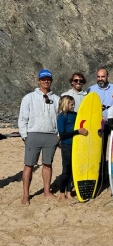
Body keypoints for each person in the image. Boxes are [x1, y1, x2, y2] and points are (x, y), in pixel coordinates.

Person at [18, 69, 60, 205]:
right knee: (29, 165)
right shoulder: (29, 97)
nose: (46, 81)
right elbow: (23, 118)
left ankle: (47, 192)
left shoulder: (57, 99)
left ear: (51, 81)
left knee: (48, 164)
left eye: (48, 79)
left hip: (51, 136)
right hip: (33, 135)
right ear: (39, 81)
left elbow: (60, 118)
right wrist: (24, 136)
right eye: (43, 79)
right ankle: (25, 195)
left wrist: (58, 135)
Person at [87, 68, 113, 175]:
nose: (100, 79)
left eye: (102, 76)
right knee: (99, 150)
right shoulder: (91, 89)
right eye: (98, 77)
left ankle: (112, 173)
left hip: (112, 123)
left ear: (107, 77)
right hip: (97, 124)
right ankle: (99, 174)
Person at [57, 95, 88, 201]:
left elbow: (85, 120)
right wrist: (77, 132)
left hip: (76, 145)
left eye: (73, 104)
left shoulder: (75, 115)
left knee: (73, 169)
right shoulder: (62, 116)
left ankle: (69, 192)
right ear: (65, 104)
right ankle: (62, 192)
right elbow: (62, 134)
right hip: (66, 145)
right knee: (66, 169)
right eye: (71, 104)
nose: (73, 106)